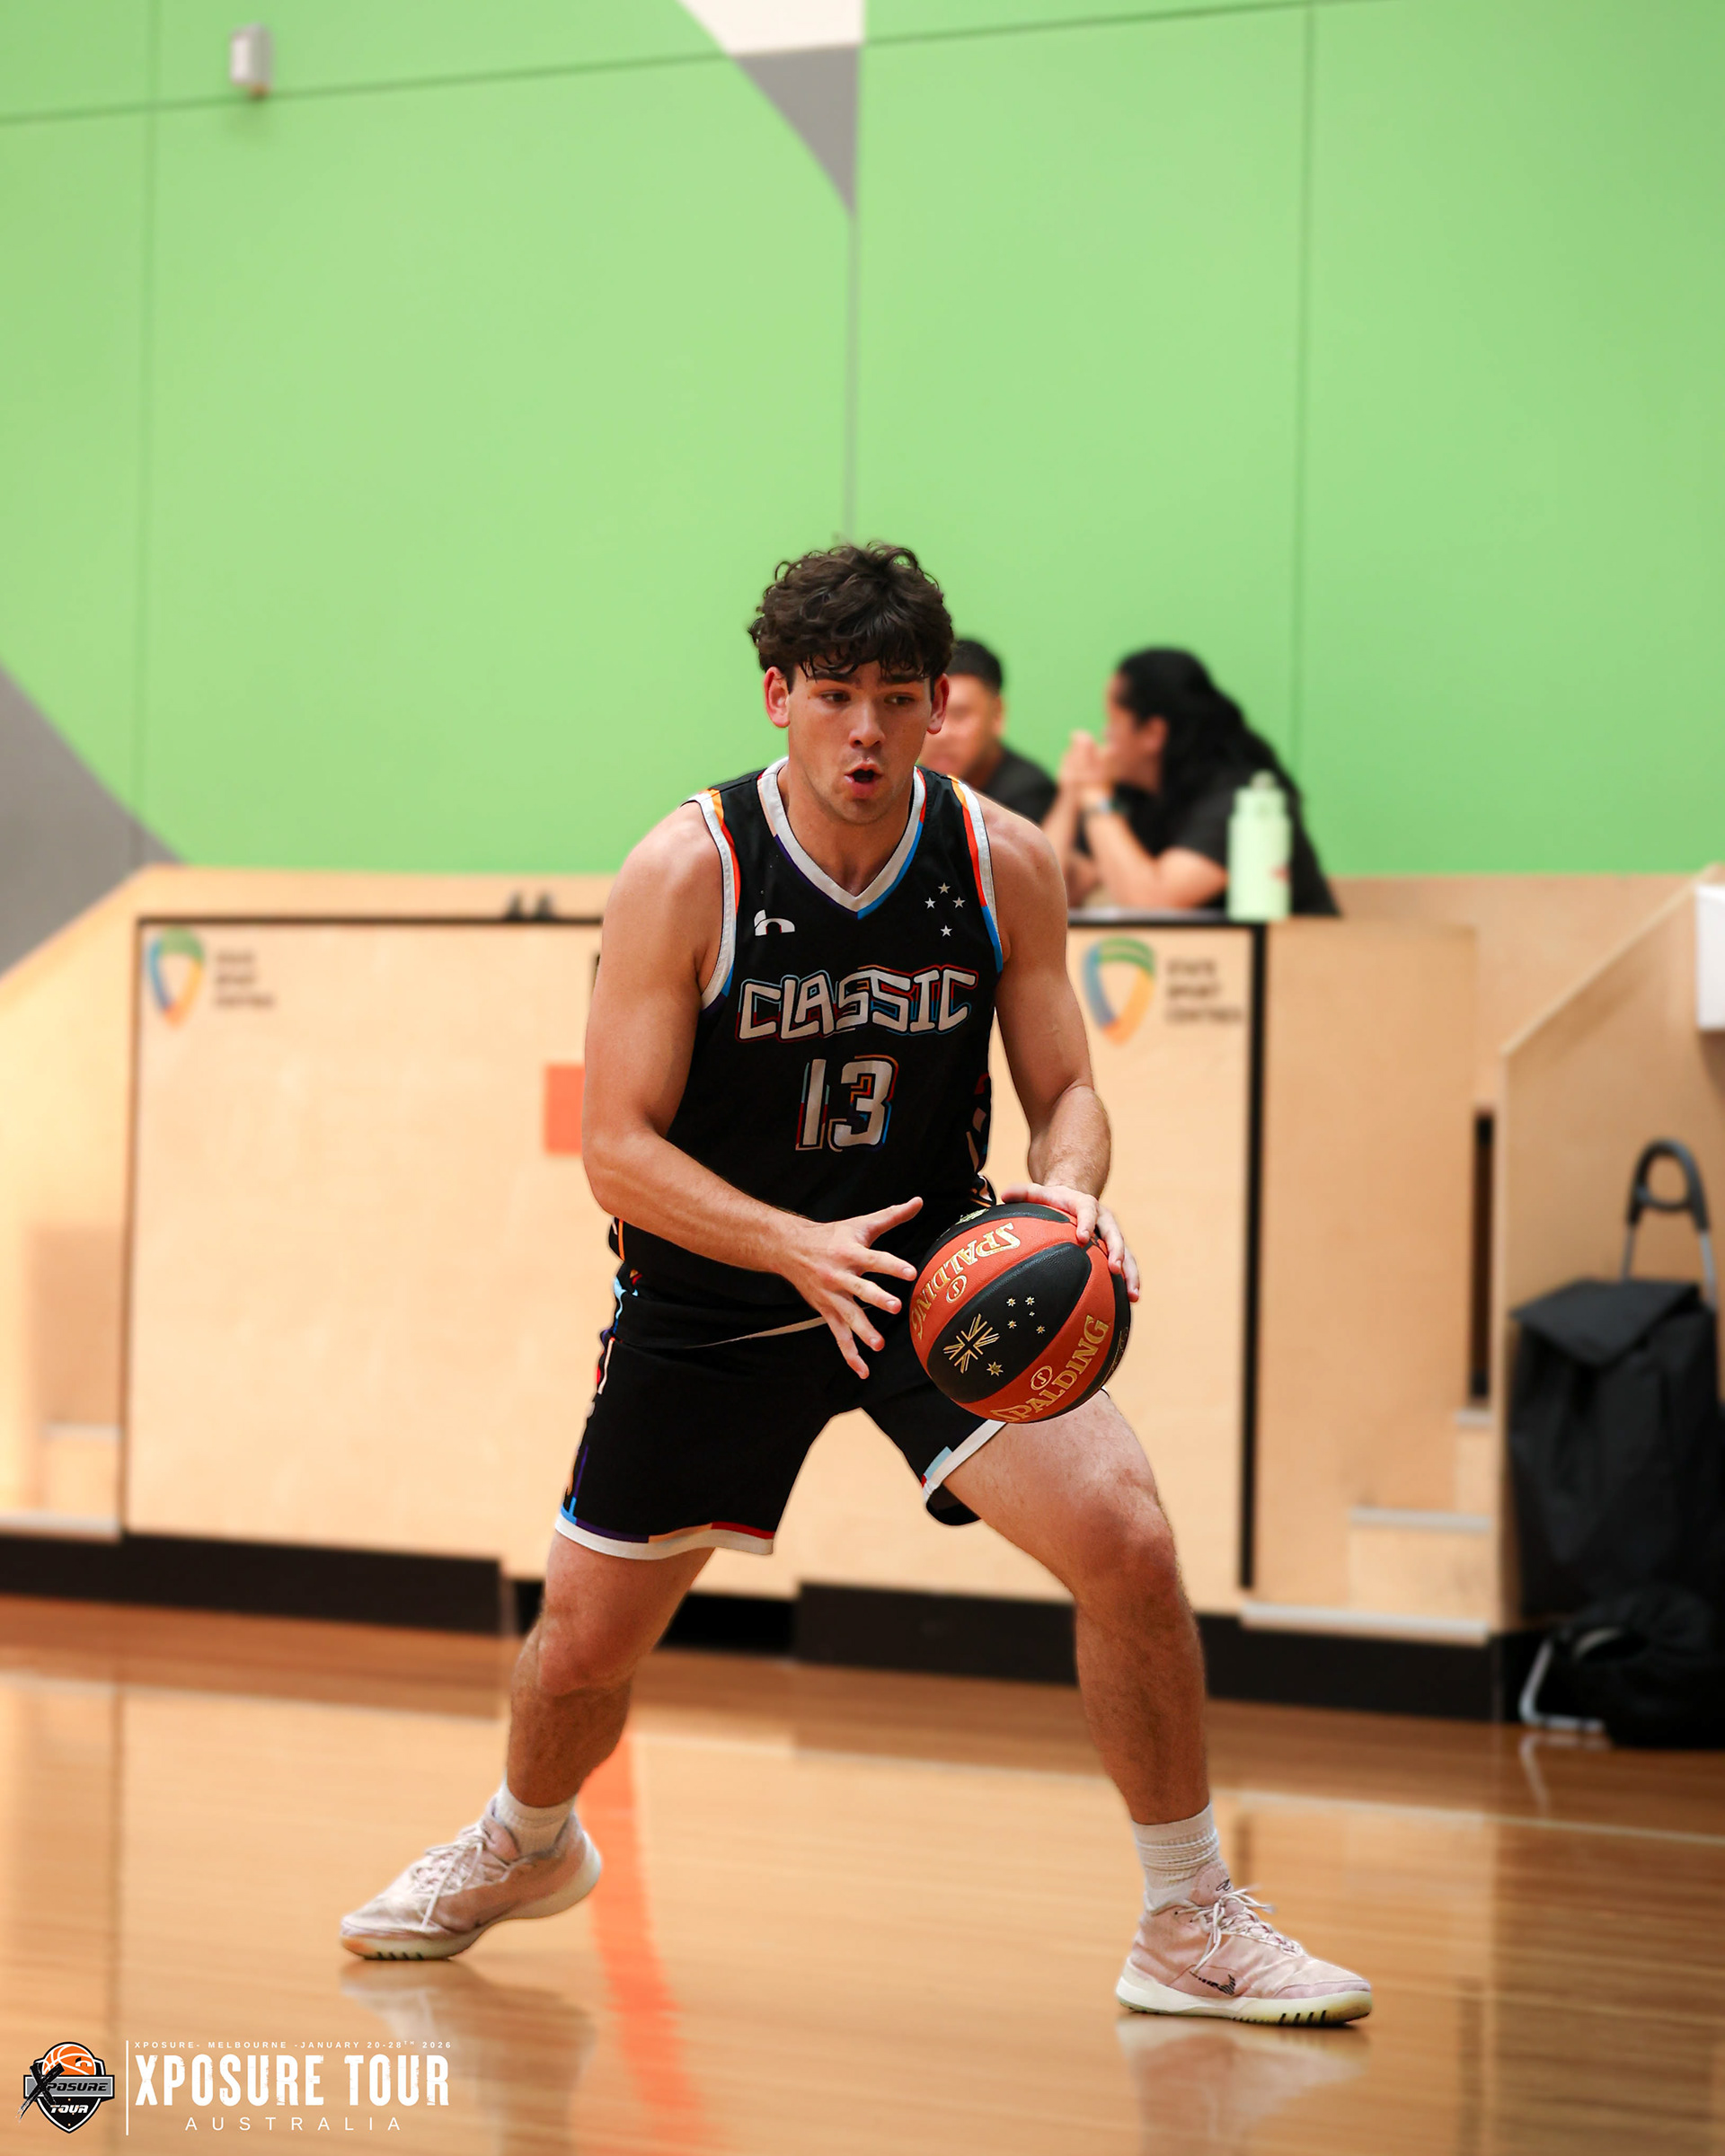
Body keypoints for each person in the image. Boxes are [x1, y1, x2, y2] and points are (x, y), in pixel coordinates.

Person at [340, 544, 1370, 2027]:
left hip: (929, 1280)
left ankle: (1189, 1916)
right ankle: (525, 1842)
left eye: (899, 696)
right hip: (717, 1296)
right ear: (778, 697)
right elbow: (616, 1149)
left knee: (1129, 1539)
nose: (869, 731)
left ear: (943, 704)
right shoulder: (687, 870)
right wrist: (786, 1244)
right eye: (835, 696)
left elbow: (1068, 1091)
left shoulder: (1003, 860)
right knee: (578, 1654)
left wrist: (1068, 1192)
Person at [1048, 649, 1339, 915]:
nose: (1106, 736)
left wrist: (1095, 796)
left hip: (1299, 951)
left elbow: (1152, 903)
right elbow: (1050, 892)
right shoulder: (1134, 796)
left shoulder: (1238, 796)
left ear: (1153, 733)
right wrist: (1070, 794)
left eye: (1113, 722)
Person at [918, 637, 1057, 826]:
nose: (941, 734)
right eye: (931, 712)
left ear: (997, 714)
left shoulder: (1027, 794)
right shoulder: (904, 787)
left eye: (959, 715)